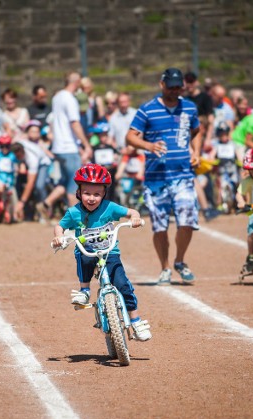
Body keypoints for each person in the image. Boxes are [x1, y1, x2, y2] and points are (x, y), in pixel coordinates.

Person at [51, 163, 152, 341]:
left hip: (109, 252)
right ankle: (84, 290)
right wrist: (59, 237)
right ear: (79, 192)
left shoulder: (109, 207)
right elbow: (60, 226)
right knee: (83, 257)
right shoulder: (74, 212)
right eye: (87, 193)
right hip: (88, 251)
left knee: (123, 285)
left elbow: (132, 211)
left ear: (104, 193)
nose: (91, 198)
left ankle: (135, 321)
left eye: (97, 194)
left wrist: (135, 218)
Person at [126, 67, 202, 285]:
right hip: (156, 178)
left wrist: (195, 151)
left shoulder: (189, 107)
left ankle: (179, 260)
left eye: (178, 87)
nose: (175, 91)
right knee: (159, 226)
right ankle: (165, 267)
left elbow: (196, 132)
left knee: (187, 220)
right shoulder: (147, 110)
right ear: (162, 85)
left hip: (183, 175)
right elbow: (130, 137)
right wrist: (148, 145)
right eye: (171, 87)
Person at [36, 72, 93, 220]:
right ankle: (77, 220)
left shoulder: (57, 97)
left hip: (58, 147)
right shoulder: (70, 99)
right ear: (77, 83)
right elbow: (74, 123)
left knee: (66, 181)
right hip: (68, 148)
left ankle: (46, 203)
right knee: (75, 184)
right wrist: (86, 145)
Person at [11, 120, 53, 221]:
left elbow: (31, 182)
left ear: (23, 152)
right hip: (28, 165)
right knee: (18, 184)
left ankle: (44, 212)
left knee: (39, 186)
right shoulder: (19, 144)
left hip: (43, 163)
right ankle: (28, 214)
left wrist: (21, 202)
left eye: (19, 156)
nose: (18, 157)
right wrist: (21, 164)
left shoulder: (32, 159)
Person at [0, 133, 18, 222]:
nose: (4, 149)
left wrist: (19, 169)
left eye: (7, 146)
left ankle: (14, 214)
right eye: (2, 146)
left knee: (12, 194)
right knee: (0, 188)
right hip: (1, 176)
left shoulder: (12, 155)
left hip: (10, 177)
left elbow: (16, 165)